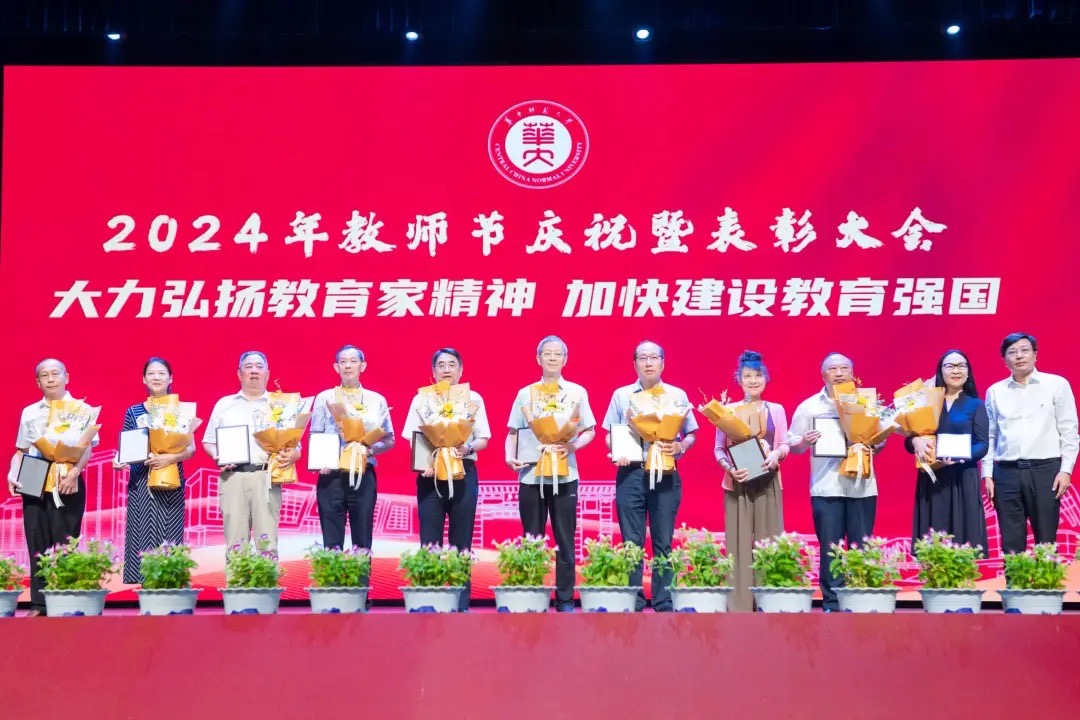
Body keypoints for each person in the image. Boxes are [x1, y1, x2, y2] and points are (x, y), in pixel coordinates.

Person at [602, 340, 698, 612]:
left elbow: (691, 433)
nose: (648, 363)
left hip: (666, 473)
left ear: (662, 363)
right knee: (631, 540)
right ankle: (632, 599)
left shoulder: (677, 395)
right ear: (634, 363)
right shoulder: (622, 395)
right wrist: (616, 451)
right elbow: (609, 433)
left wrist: (680, 447)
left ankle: (663, 600)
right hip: (631, 473)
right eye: (642, 358)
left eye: (653, 357)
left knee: (663, 540)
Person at [506, 335, 596, 612]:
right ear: (538, 359)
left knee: (565, 537)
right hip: (531, 474)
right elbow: (513, 432)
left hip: (565, 474)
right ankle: (531, 594)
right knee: (531, 537)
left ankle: (565, 598)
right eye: (547, 353)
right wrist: (509, 456)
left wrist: (572, 446)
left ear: (565, 360)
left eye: (558, 354)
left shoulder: (577, 392)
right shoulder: (525, 393)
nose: (553, 358)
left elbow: (589, 431)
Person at [788, 352, 882, 612]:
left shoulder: (866, 403)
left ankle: (861, 600)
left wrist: (870, 443)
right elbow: (793, 444)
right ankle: (831, 603)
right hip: (826, 486)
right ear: (823, 374)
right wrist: (805, 440)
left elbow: (882, 438)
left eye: (844, 368)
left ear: (852, 373)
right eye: (832, 369)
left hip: (862, 487)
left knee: (862, 546)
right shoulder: (809, 406)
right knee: (830, 548)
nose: (839, 373)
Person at [402, 348, 491, 611]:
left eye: (452, 364)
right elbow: (413, 437)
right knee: (430, 540)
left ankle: (460, 602)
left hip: (463, 471)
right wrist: (425, 463)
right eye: (441, 365)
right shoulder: (422, 399)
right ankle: (428, 599)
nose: (446, 369)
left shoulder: (474, 398)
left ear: (461, 370)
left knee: (461, 539)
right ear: (433, 372)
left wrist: (467, 448)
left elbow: (483, 439)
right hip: (430, 475)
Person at [7, 359, 96, 616]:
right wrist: (12, 472)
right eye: (44, 375)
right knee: (36, 538)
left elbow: (87, 448)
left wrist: (75, 473)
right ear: (38, 382)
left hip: (66, 473)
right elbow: (21, 451)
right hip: (34, 472)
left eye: (55, 373)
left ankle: (66, 598)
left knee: (65, 538)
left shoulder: (82, 409)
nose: (50, 379)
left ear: (67, 377)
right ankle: (38, 603)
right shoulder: (30, 412)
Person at [981, 333, 1078, 555]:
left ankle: (1047, 578)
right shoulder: (995, 391)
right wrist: (987, 473)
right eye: (1012, 352)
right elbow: (990, 435)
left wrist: (1066, 470)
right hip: (1006, 473)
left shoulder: (1056, 384)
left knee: (1046, 539)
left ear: (1035, 355)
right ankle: (1014, 579)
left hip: (1045, 470)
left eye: (1025, 350)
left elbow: (1069, 430)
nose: (1019, 356)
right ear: (1004, 359)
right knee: (1011, 541)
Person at [202, 351, 300, 554]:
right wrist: (218, 455)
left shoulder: (281, 406)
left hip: (267, 478)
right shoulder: (224, 404)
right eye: (248, 367)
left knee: (267, 544)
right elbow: (209, 441)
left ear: (267, 374)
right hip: (233, 478)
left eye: (258, 366)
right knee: (236, 545)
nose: (254, 371)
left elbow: (295, 445)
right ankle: (236, 576)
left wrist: (293, 455)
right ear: (239, 374)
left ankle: (267, 576)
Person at [713, 350, 788, 612]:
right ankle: (740, 606)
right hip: (738, 483)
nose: (753, 380)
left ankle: (770, 603)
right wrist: (730, 469)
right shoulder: (727, 411)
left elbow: (784, 443)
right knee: (738, 544)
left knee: (769, 542)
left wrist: (776, 455)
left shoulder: (776, 410)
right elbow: (719, 449)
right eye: (747, 376)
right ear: (739, 379)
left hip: (768, 482)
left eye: (758, 375)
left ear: (766, 378)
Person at [112, 357, 195, 584]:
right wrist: (119, 459)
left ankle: (170, 584)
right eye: (151, 373)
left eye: (161, 373)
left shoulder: (181, 410)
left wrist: (170, 457)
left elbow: (190, 449)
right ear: (144, 379)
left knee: (170, 531)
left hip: (171, 479)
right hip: (141, 481)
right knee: (142, 533)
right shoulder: (133, 411)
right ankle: (145, 588)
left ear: (170, 378)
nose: (156, 377)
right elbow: (127, 447)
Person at [309, 345, 395, 551]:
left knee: (362, 536)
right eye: (343, 362)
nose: (348, 366)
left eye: (353, 361)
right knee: (331, 539)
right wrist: (321, 462)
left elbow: (389, 439)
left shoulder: (376, 400)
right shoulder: (324, 398)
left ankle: (362, 573)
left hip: (363, 472)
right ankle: (331, 572)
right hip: (331, 476)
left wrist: (369, 450)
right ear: (336, 367)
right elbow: (315, 434)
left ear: (362, 366)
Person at [907, 350, 988, 551]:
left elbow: (982, 445)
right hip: (932, 477)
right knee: (933, 539)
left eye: (961, 366)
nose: (956, 370)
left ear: (968, 372)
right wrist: (915, 440)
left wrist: (959, 455)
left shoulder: (976, 405)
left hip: (963, 477)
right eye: (950, 366)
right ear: (940, 371)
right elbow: (908, 442)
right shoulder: (925, 403)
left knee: (964, 540)